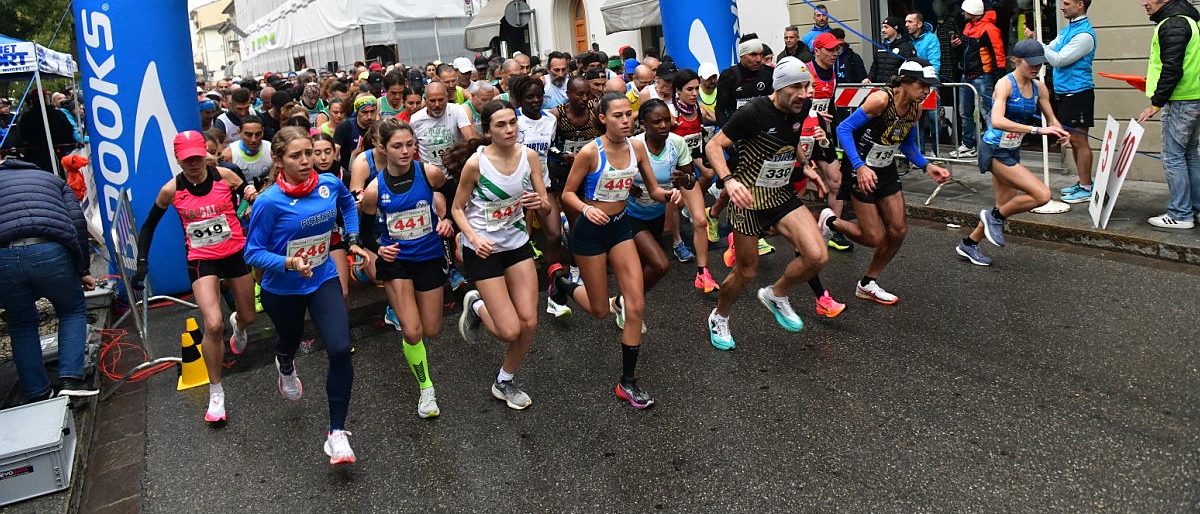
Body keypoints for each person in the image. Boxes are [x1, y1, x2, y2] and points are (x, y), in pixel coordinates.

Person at [243, 126, 369, 465]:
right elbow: (252, 253)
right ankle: (284, 360)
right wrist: (287, 262)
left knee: (340, 348)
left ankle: (337, 434)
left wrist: (353, 237)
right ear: (279, 160)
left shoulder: (328, 184)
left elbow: (347, 204)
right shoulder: (269, 203)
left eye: (309, 154)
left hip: (322, 277)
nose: (306, 161)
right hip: (282, 289)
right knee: (291, 338)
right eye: (296, 156)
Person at [548, 92, 677, 409]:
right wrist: (585, 208)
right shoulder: (591, 153)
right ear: (603, 119)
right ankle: (561, 282)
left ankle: (628, 383)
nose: (626, 120)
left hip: (620, 228)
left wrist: (670, 195)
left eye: (629, 115)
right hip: (590, 234)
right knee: (599, 311)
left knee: (635, 306)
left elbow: (654, 189)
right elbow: (567, 195)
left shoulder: (637, 148)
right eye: (618, 115)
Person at [701, 58, 831, 351]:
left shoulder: (803, 107)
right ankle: (719, 316)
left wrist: (806, 165)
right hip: (747, 199)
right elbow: (713, 146)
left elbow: (793, 137)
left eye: (808, 86)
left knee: (817, 256)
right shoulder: (753, 112)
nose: (805, 93)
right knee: (746, 272)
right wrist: (729, 181)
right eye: (797, 87)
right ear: (781, 87)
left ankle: (776, 294)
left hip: (781, 194)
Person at [133, 131, 258, 422]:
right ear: (178, 158)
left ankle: (238, 327)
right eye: (186, 159)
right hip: (202, 260)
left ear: (205, 153)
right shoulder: (170, 190)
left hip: (234, 253)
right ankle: (216, 393)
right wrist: (141, 262)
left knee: (248, 316)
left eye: (197, 157)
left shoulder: (225, 176)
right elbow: (149, 226)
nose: (193, 164)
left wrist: (251, 197)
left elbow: (255, 201)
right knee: (212, 325)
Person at [822, 60, 951, 304]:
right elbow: (844, 129)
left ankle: (868, 282)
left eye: (930, 86)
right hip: (859, 167)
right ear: (904, 81)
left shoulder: (916, 108)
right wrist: (860, 167)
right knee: (873, 237)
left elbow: (908, 144)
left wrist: (926, 165)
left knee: (899, 230)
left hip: (885, 168)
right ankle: (829, 221)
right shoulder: (881, 100)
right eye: (923, 85)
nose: (927, 91)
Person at [450, 100, 549, 410]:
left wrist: (538, 203)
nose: (509, 130)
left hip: (517, 244)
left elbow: (545, 204)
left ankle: (504, 381)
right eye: (500, 125)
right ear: (488, 130)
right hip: (485, 249)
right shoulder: (476, 164)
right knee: (510, 330)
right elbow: (456, 209)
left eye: (512, 123)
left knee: (529, 323)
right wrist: (472, 237)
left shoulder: (529, 157)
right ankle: (476, 304)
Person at [358, 119, 453, 419]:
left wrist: (447, 218)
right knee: (412, 332)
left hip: (429, 256)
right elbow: (363, 230)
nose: (405, 151)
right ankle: (426, 389)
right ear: (382, 148)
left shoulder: (429, 172)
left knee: (433, 329)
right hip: (396, 260)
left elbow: (449, 194)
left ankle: (473, 307)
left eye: (410, 144)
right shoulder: (374, 190)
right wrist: (377, 249)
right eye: (397, 146)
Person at [954, 41, 1071, 266]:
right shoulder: (1004, 84)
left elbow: (1052, 118)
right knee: (1042, 195)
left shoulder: (1040, 87)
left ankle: (968, 244)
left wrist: (1059, 130)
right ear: (1016, 60)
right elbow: (997, 120)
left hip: (1011, 149)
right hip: (994, 150)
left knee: (1003, 207)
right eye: (1032, 63)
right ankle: (992, 219)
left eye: (1040, 63)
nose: (1036, 68)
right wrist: (1037, 130)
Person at [0, 156, 99, 405]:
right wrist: (82, 269)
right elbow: (78, 222)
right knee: (72, 310)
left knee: (21, 324)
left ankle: (37, 392)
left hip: (4, 257)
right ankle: (70, 381)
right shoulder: (51, 179)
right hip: (50, 250)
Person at [1021, 0, 1097, 205]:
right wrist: (1036, 41)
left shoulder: (1084, 35)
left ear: (1080, 4)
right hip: (1066, 93)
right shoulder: (1067, 30)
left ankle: (1087, 187)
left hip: (1079, 92)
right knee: (1072, 139)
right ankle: (1083, 183)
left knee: (1080, 140)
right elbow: (1050, 50)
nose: (1062, 7)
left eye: (1066, 3)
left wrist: (1041, 45)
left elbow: (1057, 59)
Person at [632, 99, 708, 294]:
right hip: (631, 214)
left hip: (656, 213)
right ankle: (628, 303)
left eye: (667, 120)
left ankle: (627, 302)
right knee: (658, 264)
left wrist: (684, 179)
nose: (664, 125)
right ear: (643, 123)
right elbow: (613, 175)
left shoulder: (677, 143)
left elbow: (691, 180)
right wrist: (628, 186)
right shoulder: (632, 145)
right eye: (657, 121)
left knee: (646, 266)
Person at [1137, 0, 1200, 228]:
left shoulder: (1172, 24)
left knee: (1173, 157)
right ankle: (1195, 209)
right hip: (1193, 96)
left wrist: (1156, 103)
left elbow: (1172, 68)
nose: (1143, 2)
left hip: (1181, 99)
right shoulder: (1188, 19)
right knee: (1190, 155)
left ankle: (1180, 214)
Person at [509, 75, 567, 279]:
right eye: (529, 97)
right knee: (520, 236)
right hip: (516, 188)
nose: (535, 101)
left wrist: (563, 155)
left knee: (555, 234)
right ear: (520, 99)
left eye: (539, 96)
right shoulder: (513, 119)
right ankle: (521, 276)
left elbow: (549, 148)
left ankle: (553, 273)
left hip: (543, 184)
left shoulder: (550, 120)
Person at [666, 70, 719, 290]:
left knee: (700, 221)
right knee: (669, 211)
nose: (695, 93)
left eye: (697, 88)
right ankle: (677, 241)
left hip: (688, 171)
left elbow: (695, 144)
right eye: (689, 89)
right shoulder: (668, 113)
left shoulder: (698, 109)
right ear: (677, 91)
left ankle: (702, 273)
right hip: (669, 174)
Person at [808, 33, 854, 252]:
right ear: (817, 51)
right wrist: (814, 115)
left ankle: (832, 230)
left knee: (836, 182)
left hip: (821, 136)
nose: (835, 53)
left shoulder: (833, 72)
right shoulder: (805, 71)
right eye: (830, 49)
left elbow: (829, 105)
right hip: (800, 136)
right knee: (793, 187)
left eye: (837, 49)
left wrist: (837, 127)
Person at [949, 0, 1006, 159]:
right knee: (964, 112)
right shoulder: (968, 26)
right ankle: (968, 145)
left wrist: (999, 78)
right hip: (967, 75)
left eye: (965, 11)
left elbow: (999, 53)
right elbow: (967, 51)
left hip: (983, 76)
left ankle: (993, 146)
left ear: (973, 12)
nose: (963, 13)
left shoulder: (990, 28)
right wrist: (957, 46)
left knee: (988, 112)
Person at [410, 82, 477, 171]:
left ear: (447, 98)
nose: (437, 105)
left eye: (441, 100)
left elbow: (471, 139)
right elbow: (411, 146)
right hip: (429, 175)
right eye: (432, 101)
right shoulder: (416, 119)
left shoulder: (457, 110)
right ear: (425, 100)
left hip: (454, 172)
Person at [716, 35, 774, 126]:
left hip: (762, 129)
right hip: (736, 128)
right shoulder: (729, 76)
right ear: (741, 55)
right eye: (753, 55)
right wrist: (728, 134)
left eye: (761, 54)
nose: (759, 59)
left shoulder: (769, 73)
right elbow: (720, 110)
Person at [907, 11, 943, 154]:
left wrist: (924, 81)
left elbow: (935, 63)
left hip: (930, 83)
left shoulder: (931, 38)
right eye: (906, 22)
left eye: (910, 22)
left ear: (919, 24)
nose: (906, 25)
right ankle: (919, 153)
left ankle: (937, 152)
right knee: (916, 119)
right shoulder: (907, 40)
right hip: (913, 85)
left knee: (934, 119)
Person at [220, 115, 272, 188]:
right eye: (248, 135)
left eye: (258, 134)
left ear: (263, 131)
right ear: (239, 132)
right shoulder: (228, 154)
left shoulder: (271, 150)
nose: (253, 139)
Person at [333, 94, 381, 170]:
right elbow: (335, 153)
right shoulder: (345, 126)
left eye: (372, 111)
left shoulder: (380, 127)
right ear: (357, 112)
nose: (369, 116)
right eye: (365, 112)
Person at [869, 16, 918, 84]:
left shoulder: (906, 48)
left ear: (895, 28)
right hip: (879, 87)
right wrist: (869, 79)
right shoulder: (881, 47)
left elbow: (910, 70)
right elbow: (874, 67)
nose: (883, 30)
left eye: (886, 27)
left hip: (897, 89)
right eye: (882, 27)